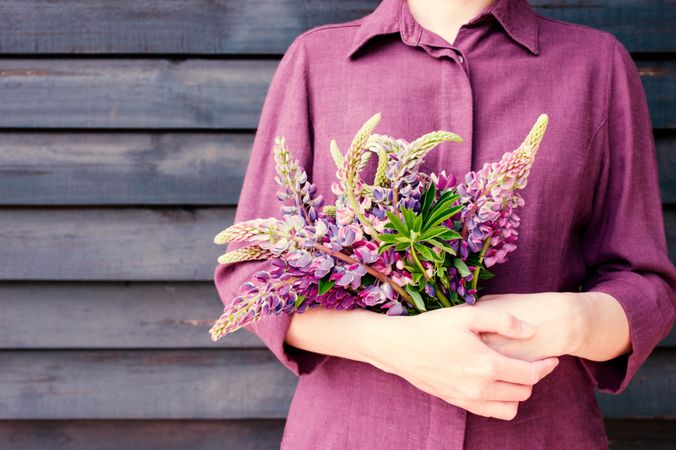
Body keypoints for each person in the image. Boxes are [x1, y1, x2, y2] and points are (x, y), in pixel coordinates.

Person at [213, 0, 676, 448]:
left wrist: (571, 321)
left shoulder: (596, 63)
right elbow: (252, 273)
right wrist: (391, 344)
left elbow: (645, 287)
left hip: (536, 430)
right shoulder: (317, 60)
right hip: (356, 431)